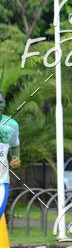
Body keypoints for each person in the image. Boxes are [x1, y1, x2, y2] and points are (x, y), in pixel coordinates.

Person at [0, 91, 20, 220]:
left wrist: (16, 158)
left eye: (0, 102)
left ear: (5, 104)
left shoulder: (12, 125)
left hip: (1, 181)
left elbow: (15, 145)